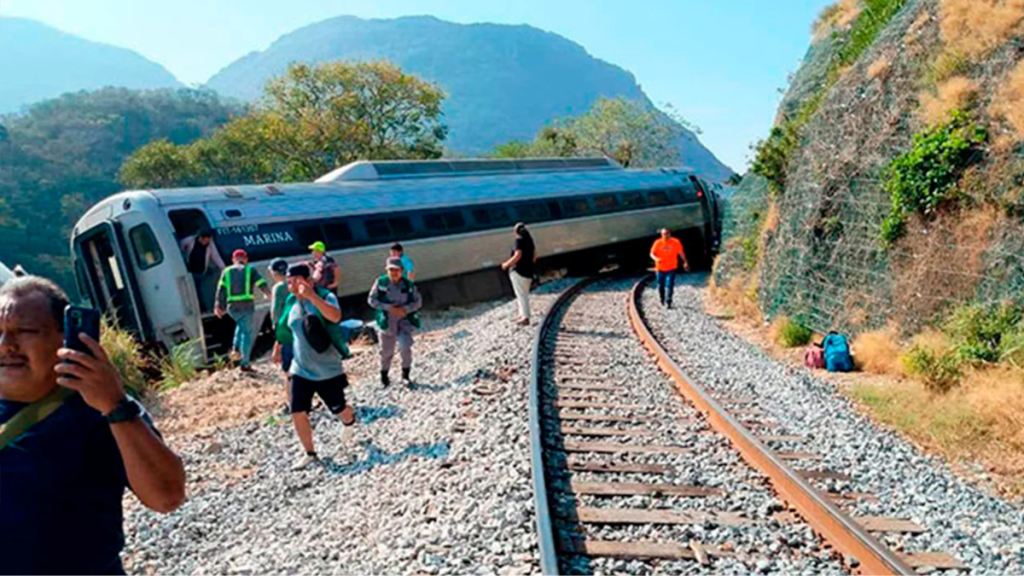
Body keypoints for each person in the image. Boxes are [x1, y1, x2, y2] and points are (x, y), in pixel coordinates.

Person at [0, 276, 185, 574]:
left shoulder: (99, 408)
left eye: (24, 331)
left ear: (68, 338)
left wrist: (115, 405)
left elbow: (167, 496)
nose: (6, 345)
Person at [276, 263, 356, 470]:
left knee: (339, 409)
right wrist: (278, 345)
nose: (291, 286)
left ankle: (349, 421)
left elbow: (335, 317)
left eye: (294, 281)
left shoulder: (325, 296)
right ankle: (310, 453)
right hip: (300, 368)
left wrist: (312, 297)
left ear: (308, 280)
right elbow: (288, 326)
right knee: (298, 411)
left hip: (327, 369)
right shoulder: (291, 301)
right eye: (288, 282)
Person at [368, 257, 423, 388]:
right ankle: (384, 375)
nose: (394, 273)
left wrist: (406, 309)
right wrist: (388, 308)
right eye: (391, 270)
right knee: (386, 351)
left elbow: (418, 302)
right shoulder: (381, 283)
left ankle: (405, 375)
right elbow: (371, 300)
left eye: (396, 270)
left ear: (402, 270)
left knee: (405, 348)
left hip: (404, 321)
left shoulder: (408, 285)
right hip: (387, 321)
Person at [214, 249, 270, 373]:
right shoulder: (250, 270)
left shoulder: (226, 271)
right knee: (247, 334)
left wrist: (218, 305)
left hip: (232, 308)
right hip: (247, 306)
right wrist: (270, 295)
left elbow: (221, 290)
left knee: (240, 325)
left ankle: (236, 348)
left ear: (233, 259)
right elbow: (262, 283)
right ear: (245, 259)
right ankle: (245, 363)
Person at [180, 228, 226, 313]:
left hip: (201, 273)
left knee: (201, 291)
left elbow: (216, 257)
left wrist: (223, 268)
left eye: (208, 240)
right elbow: (180, 247)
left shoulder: (210, 245)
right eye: (205, 240)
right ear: (200, 238)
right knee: (191, 291)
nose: (207, 242)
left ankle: (202, 307)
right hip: (190, 273)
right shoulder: (190, 241)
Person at [501, 222, 537, 326]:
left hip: (518, 271)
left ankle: (525, 317)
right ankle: (522, 314)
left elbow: (517, 255)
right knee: (523, 294)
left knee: (521, 295)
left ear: (516, 232)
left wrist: (506, 264)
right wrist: (528, 264)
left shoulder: (518, 241)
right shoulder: (530, 242)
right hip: (528, 272)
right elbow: (534, 256)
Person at [268, 258, 292, 406]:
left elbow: (276, 314)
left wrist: (277, 341)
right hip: (301, 330)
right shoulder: (294, 283)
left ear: (274, 272)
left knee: (289, 370)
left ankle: (292, 403)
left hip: (286, 332)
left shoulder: (279, 288)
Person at [649, 228, 689, 309]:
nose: (665, 235)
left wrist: (685, 262)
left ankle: (668, 301)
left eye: (666, 233)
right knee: (661, 286)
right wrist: (656, 259)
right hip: (660, 268)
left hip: (671, 267)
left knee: (670, 285)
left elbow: (681, 252)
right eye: (663, 234)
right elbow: (652, 253)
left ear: (670, 234)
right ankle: (662, 299)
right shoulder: (657, 243)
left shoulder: (675, 242)